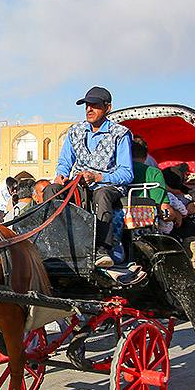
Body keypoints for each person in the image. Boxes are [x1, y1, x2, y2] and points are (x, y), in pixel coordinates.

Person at [51, 86, 134, 268]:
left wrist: (98, 177)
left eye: (95, 105)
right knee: (52, 190)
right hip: (78, 184)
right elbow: (65, 160)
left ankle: (103, 249)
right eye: (87, 105)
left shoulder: (120, 134)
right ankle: (53, 244)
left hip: (108, 185)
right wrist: (61, 175)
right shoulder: (75, 131)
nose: (89, 109)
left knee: (101, 195)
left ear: (107, 108)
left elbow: (126, 173)